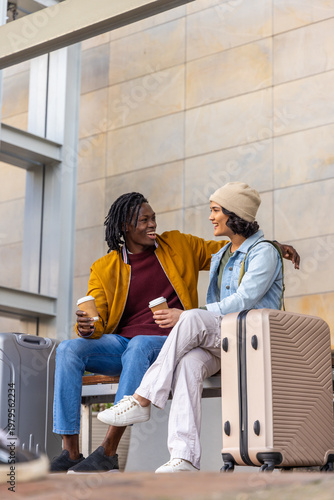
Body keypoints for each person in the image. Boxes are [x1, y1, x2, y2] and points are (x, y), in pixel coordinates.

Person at [51, 190, 299, 474]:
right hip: (122, 344)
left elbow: (230, 249)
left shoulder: (179, 245)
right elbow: (99, 320)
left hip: (167, 340)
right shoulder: (105, 267)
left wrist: (272, 246)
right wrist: (88, 327)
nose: (152, 225)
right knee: (69, 349)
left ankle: (108, 450)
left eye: (153, 218)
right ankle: (70, 452)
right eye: (144, 220)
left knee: (140, 345)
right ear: (125, 227)